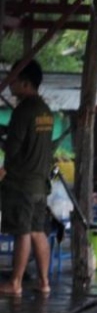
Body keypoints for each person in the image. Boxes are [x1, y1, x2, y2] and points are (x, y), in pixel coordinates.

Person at [0, 59, 55, 297]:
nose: (10, 83)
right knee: (37, 231)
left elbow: (13, 150)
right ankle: (44, 282)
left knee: (22, 232)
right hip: (40, 183)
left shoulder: (23, 111)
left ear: (25, 82)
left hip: (21, 183)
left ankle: (15, 283)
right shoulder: (45, 110)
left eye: (13, 79)